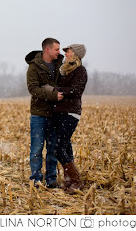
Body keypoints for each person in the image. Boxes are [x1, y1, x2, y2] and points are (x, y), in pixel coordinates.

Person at [25, 38, 64, 188]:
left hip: (55, 114)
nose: (58, 52)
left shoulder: (60, 65)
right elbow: (33, 89)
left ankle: (51, 179)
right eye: (56, 49)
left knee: (52, 149)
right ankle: (36, 179)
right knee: (36, 149)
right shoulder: (34, 67)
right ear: (47, 50)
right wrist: (52, 94)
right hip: (38, 114)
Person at [52, 44, 88, 194]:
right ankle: (69, 180)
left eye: (68, 51)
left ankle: (76, 180)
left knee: (58, 148)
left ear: (76, 55)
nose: (65, 53)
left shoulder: (80, 71)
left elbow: (76, 90)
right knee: (66, 146)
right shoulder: (64, 70)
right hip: (60, 112)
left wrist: (57, 90)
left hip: (71, 113)